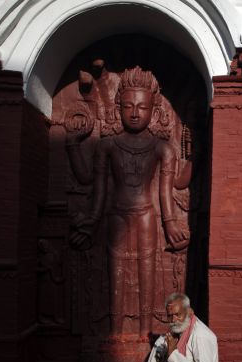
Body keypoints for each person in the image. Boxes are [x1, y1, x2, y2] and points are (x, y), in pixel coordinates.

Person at [66, 66, 188, 336]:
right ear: (118, 108)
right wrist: (72, 144)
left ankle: (145, 334)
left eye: (142, 108)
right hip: (115, 216)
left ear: (153, 111)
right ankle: (115, 335)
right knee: (115, 277)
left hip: (146, 216)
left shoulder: (162, 148)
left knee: (147, 274)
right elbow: (91, 184)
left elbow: (167, 191)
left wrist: (170, 224)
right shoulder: (107, 145)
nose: (134, 113)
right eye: (129, 106)